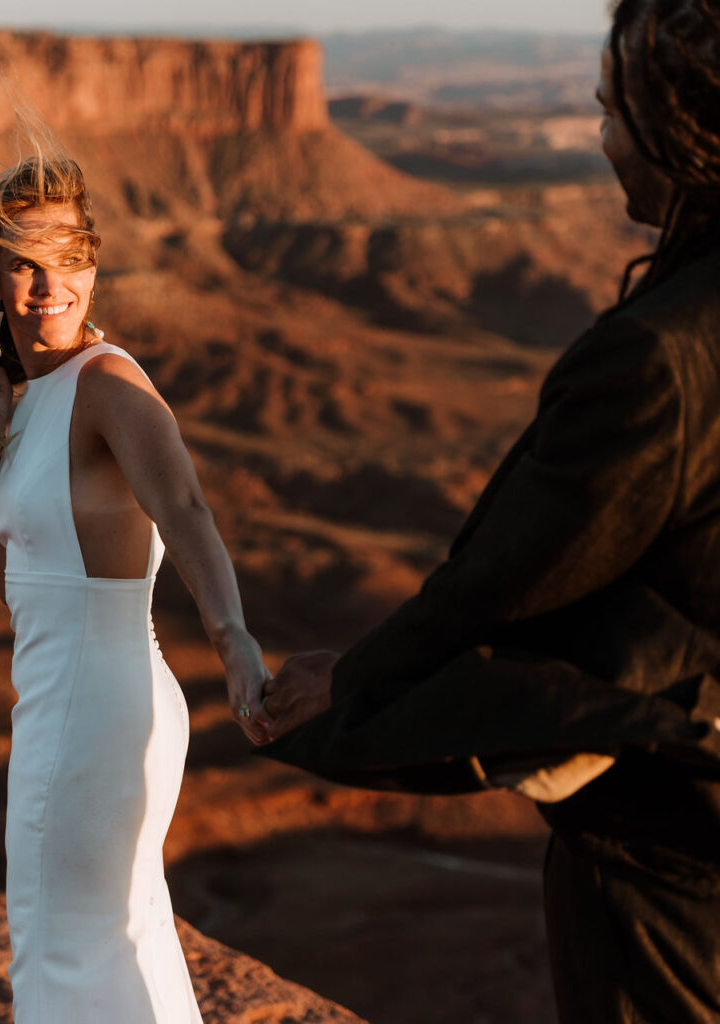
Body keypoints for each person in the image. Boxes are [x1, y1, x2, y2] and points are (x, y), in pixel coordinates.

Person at [259, 2, 720, 1022]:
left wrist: (346, 693)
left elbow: (503, 585)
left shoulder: (661, 357)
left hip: (677, 868)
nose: (602, 141)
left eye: (613, 113)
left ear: (680, 131)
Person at [0, 151, 271, 1022]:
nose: (48, 285)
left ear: (94, 265)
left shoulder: (107, 383)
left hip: (100, 704)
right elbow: (15, 588)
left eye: (68, 258)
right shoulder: (30, 397)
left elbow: (183, 505)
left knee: (71, 945)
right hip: (60, 701)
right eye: (24, 263)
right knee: (100, 935)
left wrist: (235, 640)